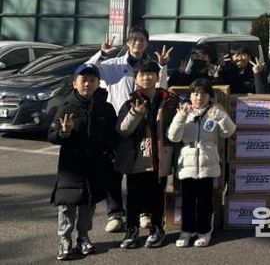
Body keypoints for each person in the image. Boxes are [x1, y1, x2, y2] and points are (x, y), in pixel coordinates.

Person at [87, 26, 172, 233]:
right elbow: (89, 69)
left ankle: (144, 212)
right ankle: (115, 214)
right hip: (119, 125)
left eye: (141, 40)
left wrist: (162, 66)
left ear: (146, 43)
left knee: (143, 173)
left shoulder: (151, 66)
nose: (137, 44)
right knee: (114, 172)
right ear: (127, 43)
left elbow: (162, 87)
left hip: (145, 126)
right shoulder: (113, 64)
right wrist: (103, 53)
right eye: (133, 40)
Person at [48, 63, 117, 261]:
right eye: (83, 80)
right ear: (75, 83)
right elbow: (52, 136)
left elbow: (112, 136)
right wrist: (65, 132)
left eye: (92, 80)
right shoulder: (66, 106)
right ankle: (65, 240)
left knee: (89, 203)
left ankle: (83, 237)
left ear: (98, 83)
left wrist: (109, 153)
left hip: (95, 165)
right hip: (71, 166)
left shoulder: (105, 108)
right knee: (67, 204)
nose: (87, 84)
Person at [114, 60, 179, 249]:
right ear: (136, 78)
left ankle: (157, 230)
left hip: (161, 157)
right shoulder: (130, 102)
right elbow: (122, 130)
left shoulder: (170, 100)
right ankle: (132, 230)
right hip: (137, 158)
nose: (146, 78)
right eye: (142, 74)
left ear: (157, 77)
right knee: (134, 196)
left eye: (151, 74)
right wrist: (135, 113)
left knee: (157, 196)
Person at [167, 78, 236, 248]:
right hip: (187, 162)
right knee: (188, 200)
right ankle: (186, 231)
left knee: (205, 199)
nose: (199, 97)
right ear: (190, 95)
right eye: (195, 94)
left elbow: (228, 132)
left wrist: (221, 117)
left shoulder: (215, 110)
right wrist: (180, 117)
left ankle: (204, 231)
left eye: (204, 94)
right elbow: (173, 137)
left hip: (207, 161)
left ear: (209, 96)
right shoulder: (184, 111)